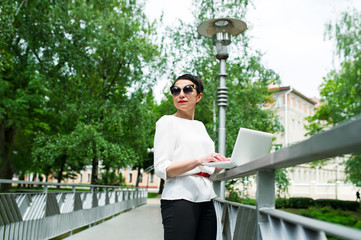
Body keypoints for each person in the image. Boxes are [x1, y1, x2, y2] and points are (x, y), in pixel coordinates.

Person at [154, 74, 229, 240]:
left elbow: (207, 170)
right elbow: (162, 168)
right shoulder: (167, 122)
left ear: (199, 96)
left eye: (187, 89)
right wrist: (199, 160)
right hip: (179, 198)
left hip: (206, 198)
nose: (181, 94)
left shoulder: (200, 126)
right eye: (176, 90)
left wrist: (223, 164)